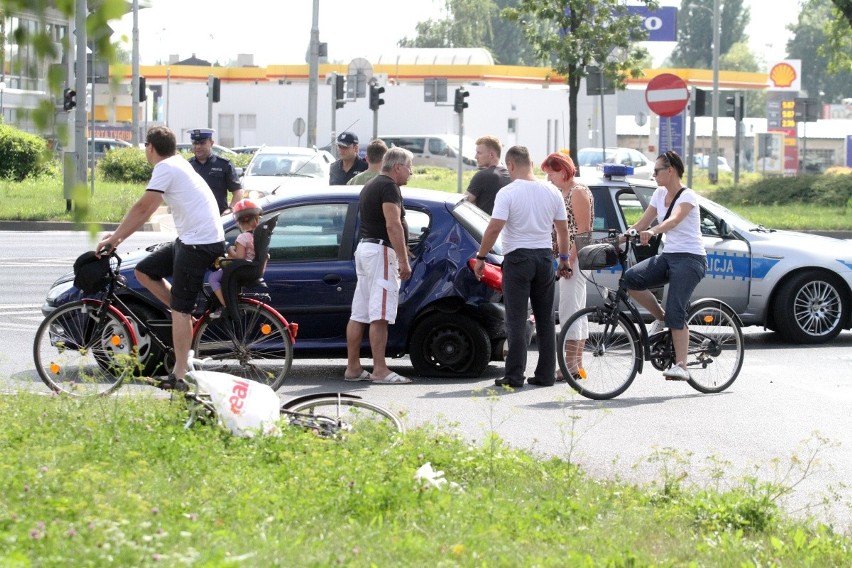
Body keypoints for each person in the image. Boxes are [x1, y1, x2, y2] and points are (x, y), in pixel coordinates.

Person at [96, 126, 226, 388]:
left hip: (199, 243)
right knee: (144, 271)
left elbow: (144, 207)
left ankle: (180, 375)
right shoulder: (177, 163)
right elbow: (145, 209)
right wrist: (117, 234)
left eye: (145, 146)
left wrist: (115, 240)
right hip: (194, 238)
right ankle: (185, 320)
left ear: (150, 147)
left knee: (179, 309)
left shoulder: (166, 168)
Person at [473, 146, 572, 388]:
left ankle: (514, 375)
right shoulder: (552, 191)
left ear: (511, 165)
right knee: (546, 319)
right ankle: (545, 375)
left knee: (516, 320)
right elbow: (562, 229)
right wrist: (564, 259)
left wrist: (481, 257)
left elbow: (494, 227)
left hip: (518, 260)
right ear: (531, 162)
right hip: (544, 259)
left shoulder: (508, 192)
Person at [623, 150, 707, 381]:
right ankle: (661, 318)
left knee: (676, 308)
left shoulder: (687, 196)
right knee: (631, 279)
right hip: (669, 257)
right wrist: (619, 239)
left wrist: (653, 231)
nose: (653, 175)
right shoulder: (659, 194)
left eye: (657, 170)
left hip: (691, 259)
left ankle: (682, 366)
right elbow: (642, 222)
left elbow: (674, 220)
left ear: (670, 171)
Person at [344, 147, 415, 384]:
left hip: (366, 249)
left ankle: (353, 368)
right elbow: (392, 224)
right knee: (380, 314)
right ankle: (380, 369)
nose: (411, 172)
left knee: (360, 312)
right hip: (381, 252)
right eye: (409, 167)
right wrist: (403, 260)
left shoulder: (372, 184)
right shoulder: (388, 187)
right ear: (397, 167)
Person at [541, 152, 594, 382]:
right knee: (575, 311)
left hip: (576, 258)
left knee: (569, 312)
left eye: (550, 174)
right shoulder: (566, 191)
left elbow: (583, 231)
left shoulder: (577, 191)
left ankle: (569, 367)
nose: (548, 179)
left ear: (562, 172)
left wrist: (569, 260)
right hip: (570, 258)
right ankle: (576, 365)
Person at [207, 199, 262, 318]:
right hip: (252, 267)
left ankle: (226, 305)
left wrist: (228, 249)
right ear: (257, 219)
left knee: (213, 278)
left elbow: (239, 258)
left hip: (241, 269)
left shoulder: (243, 237)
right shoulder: (257, 236)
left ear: (239, 222)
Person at [187, 128, 243, 215]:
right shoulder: (187, 166)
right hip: (194, 218)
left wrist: (230, 209)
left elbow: (238, 192)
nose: (198, 146)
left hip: (219, 217)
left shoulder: (224, 165)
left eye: (202, 143)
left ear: (211, 143)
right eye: (195, 143)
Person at [463, 135, 511, 215]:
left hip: (483, 225)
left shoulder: (483, 176)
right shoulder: (510, 175)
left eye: (479, 153)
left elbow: (463, 204)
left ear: (491, 155)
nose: (475, 157)